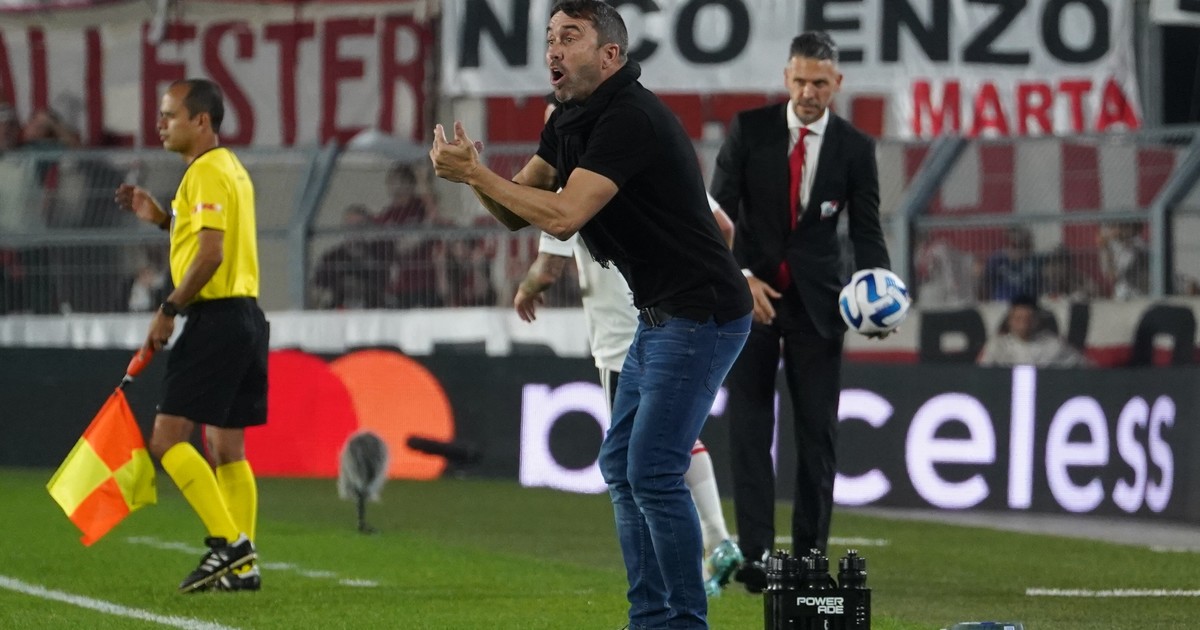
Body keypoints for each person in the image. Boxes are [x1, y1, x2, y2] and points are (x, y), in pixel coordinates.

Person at [431, 2, 752, 627]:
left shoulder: (630, 117)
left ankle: (681, 623)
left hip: (702, 313)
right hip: (658, 314)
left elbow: (564, 216)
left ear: (610, 55)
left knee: (653, 470)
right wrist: (473, 176)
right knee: (625, 468)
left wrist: (478, 174)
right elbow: (516, 211)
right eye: (550, 36)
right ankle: (650, 618)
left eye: (569, 36)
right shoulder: (567, 119)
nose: (553, 48)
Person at [709, 31, 892, 593]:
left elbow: (866, 230)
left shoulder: (855, 148)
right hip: (752, 301)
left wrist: (879, 292)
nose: (809, 92)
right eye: (801, 81)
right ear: (786, 78)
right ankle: (757, 556)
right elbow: (714, 215)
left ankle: (811, 558)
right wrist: (740, 279)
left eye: (820, 83)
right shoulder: (750, 130)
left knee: (818, 435)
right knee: (749, 427)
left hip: (821, 306)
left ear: (837, 83)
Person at [515, 175, 742, 596]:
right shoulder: (650, 163)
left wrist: (526, 290)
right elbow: (724, 227)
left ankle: (678, 580)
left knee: (638, 466)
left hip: (623, 339)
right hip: (677, 323)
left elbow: (548, 269)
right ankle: (717, 539)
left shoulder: (571, 192)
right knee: (673, 441)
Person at [114, 78, 267, 593]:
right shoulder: (229, 168)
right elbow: (209, 239)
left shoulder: (204, 172)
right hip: (246, 316)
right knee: (226, 447)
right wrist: (162, 219)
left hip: (214, 319)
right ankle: (243, 567)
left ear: (201, 120)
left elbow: (210, 255)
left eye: (170, 115)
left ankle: (231, 545)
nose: (160, 124)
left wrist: (168, 310)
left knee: (166, 440)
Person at [313, 204, 395, 309]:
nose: (354, 230)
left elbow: (386, 284)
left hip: (373, 311)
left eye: (359, 225)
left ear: (368, 227)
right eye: (349, 225)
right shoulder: (331, 257)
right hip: (338, 311)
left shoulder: (380, 254)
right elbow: (320, 288)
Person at [977, 294, 1091, 367]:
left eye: (1027, 319)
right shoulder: (997, 345)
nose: (1023, 324)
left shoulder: (1053, 345)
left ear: (1036, 321)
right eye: (1018, 319)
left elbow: (1086, 367)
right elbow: (981, 373)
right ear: (1009, 321)